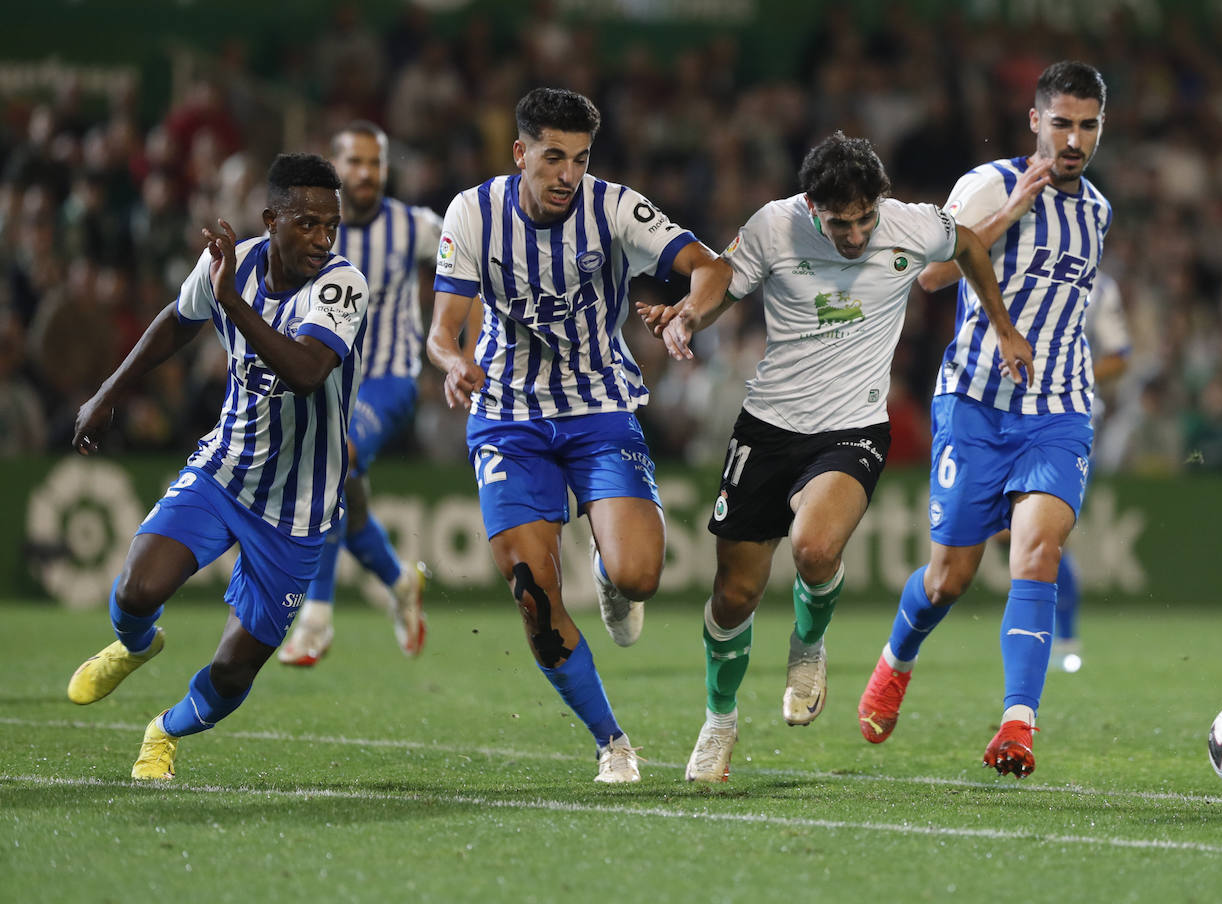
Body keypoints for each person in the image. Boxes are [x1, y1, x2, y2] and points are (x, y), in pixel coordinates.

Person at [638, 132, 1033, 783]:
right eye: (839, 223)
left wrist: (1001, 322)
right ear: (811, 206)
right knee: (734, 594)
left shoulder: (912, 224)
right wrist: (687, 319)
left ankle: (809, 641)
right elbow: (723, 287)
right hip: (768, 428)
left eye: (864, 220)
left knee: (816, 548)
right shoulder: (774, 227)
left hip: (853, 428)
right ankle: (720, 718)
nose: (854, 236)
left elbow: (966, 244)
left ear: (880, 201)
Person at [425, 87, 732, 783]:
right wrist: (454, 363)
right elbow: (443, 331)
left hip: (599, 406)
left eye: (581, 159)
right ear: (521, 153)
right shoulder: (473, 212)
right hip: (507, 414)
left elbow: (712, 266)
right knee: (533, 592)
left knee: (639, 575)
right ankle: (612, 741)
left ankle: (608, 573)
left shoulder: (615, 207)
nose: (568, 174)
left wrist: (687, 316)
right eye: (554, 157)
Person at [65, 153, 367, 779]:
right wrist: (107, 394)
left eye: (330, 225)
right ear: (271, 219)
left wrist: (232, 302)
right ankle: (137, 645)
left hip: (299, 507)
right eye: (307, 223)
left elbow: (308, 373)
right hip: (225, 470)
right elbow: (177, 322)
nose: (322, 238)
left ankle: (163, 731)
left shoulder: (342, 285)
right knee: (134, 590)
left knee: (234, 669)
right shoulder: (233, 264)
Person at [857, 60, 1112, 779]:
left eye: (1087, 125)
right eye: (1061, 122)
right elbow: (931, 275)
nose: (1074, 139)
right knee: (949, 579)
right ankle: (896, 658)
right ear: (1035, 121)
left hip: (1059, 408)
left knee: (1038, 554)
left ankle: (1017, 726)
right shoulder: (988, 182)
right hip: (974, 404)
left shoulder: (1098, 210)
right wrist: (1012, 212)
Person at [277, 122, 441, 666]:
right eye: (355, 163)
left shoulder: (415, 226)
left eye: (375, 163)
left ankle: (316, 620)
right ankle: (399, 584)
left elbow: (473, 259)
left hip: (390, 380)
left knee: (334, 460)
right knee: (349, 512)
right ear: (336, 167)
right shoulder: (316, 230)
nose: (366, 173)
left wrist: (464, 342)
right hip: (329, 384)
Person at [1049, 269, 1130, 672]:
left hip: (1071, 418)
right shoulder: (1015, 265)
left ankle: (1064, 636)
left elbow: (1119, 358)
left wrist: (1070, 376)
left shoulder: (1100, 285)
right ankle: (1056, 634)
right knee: (1007, 533)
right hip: (1010, 413)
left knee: (1047, 534)